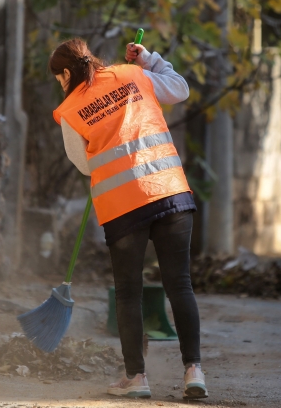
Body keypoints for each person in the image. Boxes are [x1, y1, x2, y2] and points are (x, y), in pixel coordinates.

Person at [49, 38, 207, 400]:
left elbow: (85, 164)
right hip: (169, 192)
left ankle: (136, 378)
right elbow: (180, 89)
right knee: (179, 284)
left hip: (124, 206)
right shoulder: (134, 74)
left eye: (59, 77)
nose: (60, 84)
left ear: (68, 73)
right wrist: (149, 59)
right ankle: (194, 371)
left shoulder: (70, 111)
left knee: (128, 293)